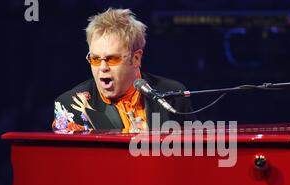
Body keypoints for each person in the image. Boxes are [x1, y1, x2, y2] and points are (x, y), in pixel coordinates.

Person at [52, 8, 195, 133]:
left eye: (112, 59)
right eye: (95, 59)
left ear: (136, 59)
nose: (102, 68)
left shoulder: (174, 94)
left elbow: (192, 153)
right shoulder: (70, 105)